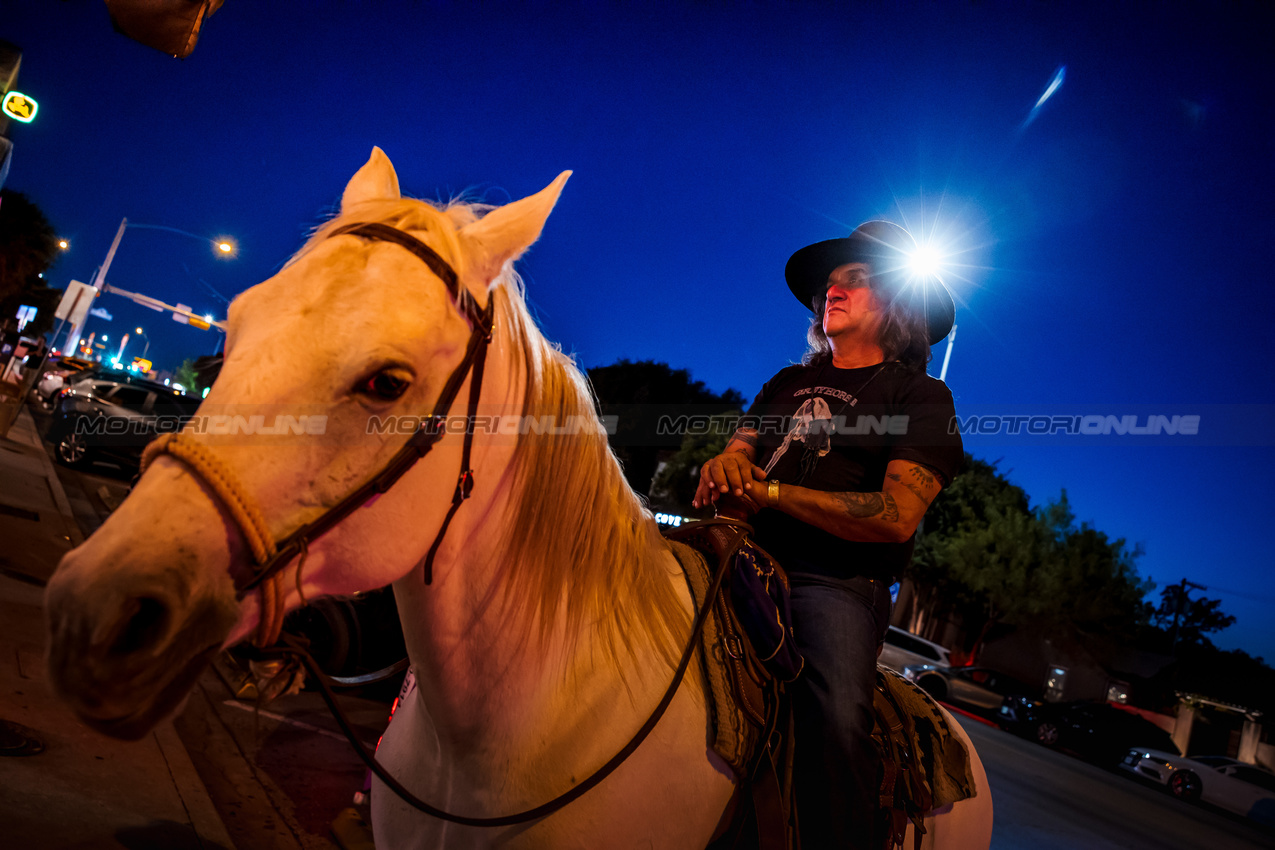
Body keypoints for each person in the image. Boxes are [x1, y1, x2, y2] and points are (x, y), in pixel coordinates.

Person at [692, 220, 962, 849]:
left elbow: (897, 514)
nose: (832, 293)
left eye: (857, 281)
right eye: (829, 286)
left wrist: (769, 492)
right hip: (737, 556)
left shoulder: (921, 396)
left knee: (836, 719)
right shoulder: (785, 383)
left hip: (833, 582)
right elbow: (739, 454)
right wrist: (723, 466)